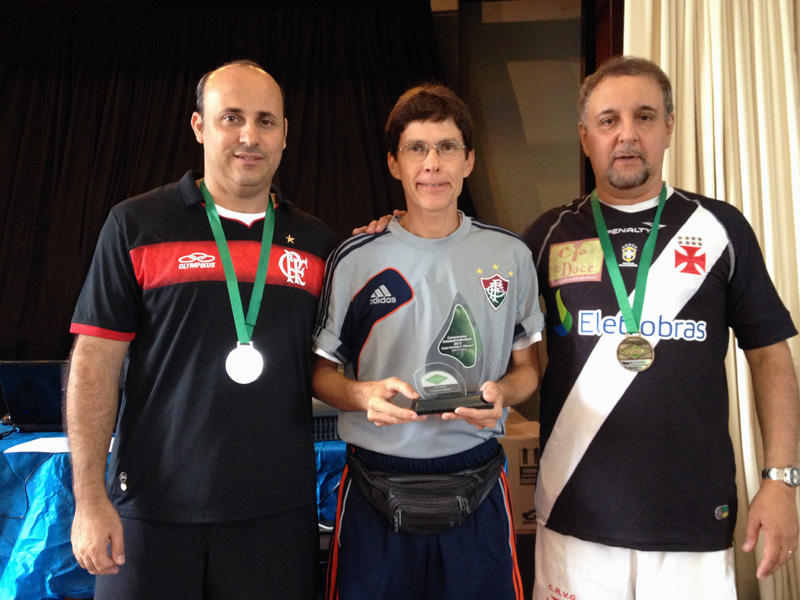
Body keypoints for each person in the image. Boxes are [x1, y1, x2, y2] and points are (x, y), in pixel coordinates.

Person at [522, 55, 800, 600]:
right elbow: (499, 331)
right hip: (573, 520)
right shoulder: (548, 235)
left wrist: (782, 481)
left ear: (669, 127)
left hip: (691, 523)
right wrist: (399, 229)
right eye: (608, 120)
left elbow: (770, 354)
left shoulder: (719, 228)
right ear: (585, 136)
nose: (627, 134)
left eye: (644, 116)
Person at [66, 59, 343, 599]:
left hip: (275, 516)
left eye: (266, 121)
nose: (249, 136)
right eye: (231, 117)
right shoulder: (137, 224)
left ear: (285, 133)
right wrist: (89, 499)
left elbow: (329, 364)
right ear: (199, 126)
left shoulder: (316, 243)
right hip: (151, 511)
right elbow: (94, 364)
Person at [311, 84, 545, 600]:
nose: (432, 163)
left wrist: (504, 394)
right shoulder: (355, 258)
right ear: (394, 163)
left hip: (476, 477)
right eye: (416, 148)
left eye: (447, 147)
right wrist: (362, 395)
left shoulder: (510, 255)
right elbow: (320, 372)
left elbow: (528, 368)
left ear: (469, 160)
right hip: (374, 480)